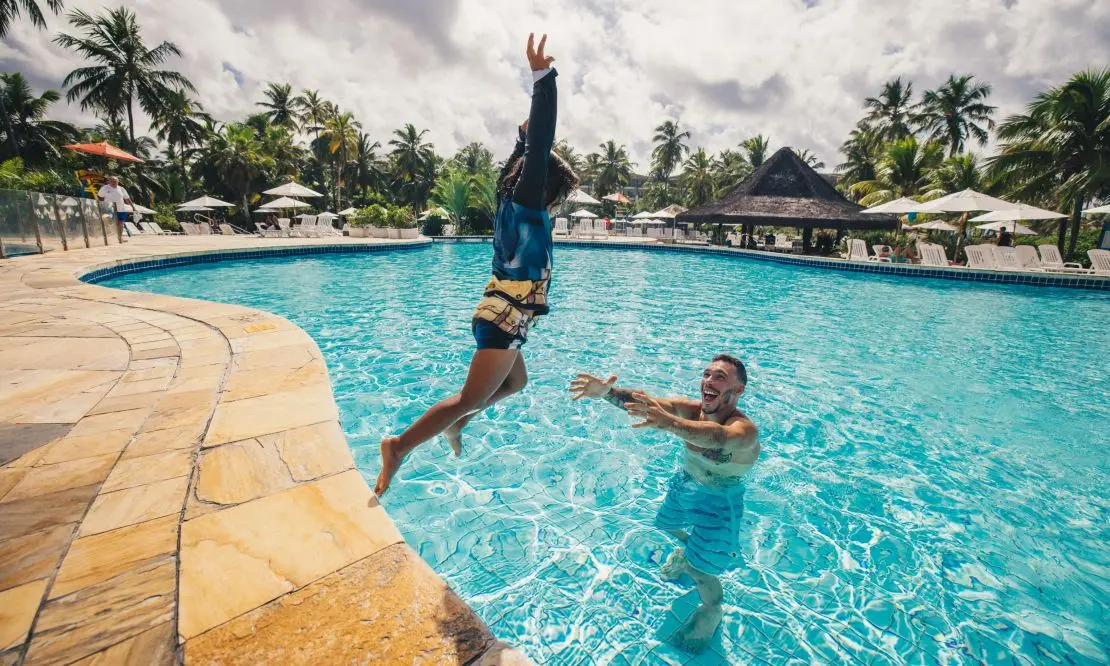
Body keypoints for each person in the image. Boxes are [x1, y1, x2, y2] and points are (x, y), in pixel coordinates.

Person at [375, 33, 579, 496]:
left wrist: (522, 140)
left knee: (513, 385)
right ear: (543, 186)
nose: (557, 205)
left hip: (508, 316)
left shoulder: (514, 203)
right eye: (558, 196)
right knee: (470, 396)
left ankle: (455, 425)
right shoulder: (526, 202)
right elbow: (541, 141)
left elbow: (531, 146)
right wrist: (542, 81)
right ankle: (399, 447)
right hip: (502, 319)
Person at [569, 355, 760, 653]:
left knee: (701, 570)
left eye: (719, 376)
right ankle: (691, 549)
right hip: (686, 483)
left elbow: (719, 439)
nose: (708, 381)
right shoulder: (692, 410)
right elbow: (648, 402)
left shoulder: (744, 430)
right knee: (668, 524)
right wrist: (607, 393)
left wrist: (670, 423)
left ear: (739, 389)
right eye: (706, 374)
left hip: (721, 500)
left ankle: (712, 609)